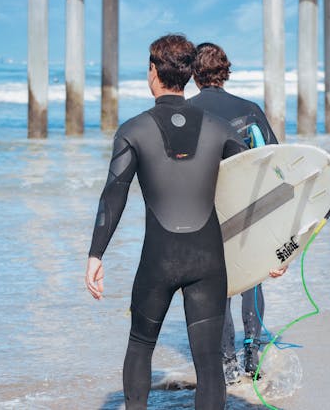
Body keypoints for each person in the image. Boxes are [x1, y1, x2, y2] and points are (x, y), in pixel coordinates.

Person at [85, 34, 248, 410]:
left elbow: (114, 194)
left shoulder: (133, 129)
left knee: (141, 345)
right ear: (189, 75)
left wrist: (96, 254)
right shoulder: (220, 128)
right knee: (209, 363)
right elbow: (255, 185)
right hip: (208, 260)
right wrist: (276, 251)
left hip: (159, 259)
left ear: (154, 73)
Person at [187, 42, 287, 382]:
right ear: (225, 71)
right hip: (250, 210)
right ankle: (253, 353)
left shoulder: (185, 113)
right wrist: (283, 239)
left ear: (193, 73)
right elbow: (275, 165)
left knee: (220, 286)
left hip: (207, 212)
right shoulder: (250, 109)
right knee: (252, 279)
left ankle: (226, 363)